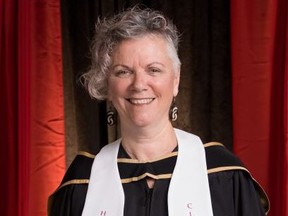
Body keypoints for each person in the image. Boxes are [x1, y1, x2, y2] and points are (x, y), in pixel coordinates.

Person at [48, 6, 269, 216]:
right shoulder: (82, 182)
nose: (139, 84)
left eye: (154, 70)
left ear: (176, 79)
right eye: (123, 72)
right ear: (107, 85)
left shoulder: (223, 175)